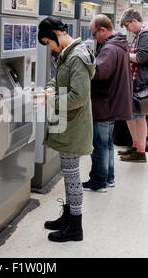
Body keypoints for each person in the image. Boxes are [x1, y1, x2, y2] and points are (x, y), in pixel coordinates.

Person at [36, 16, 95, 242]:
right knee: (70, 174)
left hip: (73, 125)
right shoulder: (69, 53)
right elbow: (57, 80)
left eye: (48, 43)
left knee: (72, 177)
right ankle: (68, 218)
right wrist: (49, 89)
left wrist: (51, 101)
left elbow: (78, 96)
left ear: (56, 35)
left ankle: (75, 228)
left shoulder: (76, 58)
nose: (49, 48)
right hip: (69, 124)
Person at [82, 14, 133, 192]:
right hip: (111, 102)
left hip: (104, 103)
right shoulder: (118, 44)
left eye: (94, 34)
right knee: (107, 143)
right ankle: (109, 178)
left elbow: (99, 72)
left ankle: (99, 181)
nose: (93, 38)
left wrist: (84, 60)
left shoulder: (110, 49)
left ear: (103, 30)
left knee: (100, 144)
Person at [119, 8, 148, 163]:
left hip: (142, 81)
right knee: (131, 114)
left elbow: (142, 57)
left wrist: (122, 55)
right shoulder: (140, 34)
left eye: (127, 26)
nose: (127, 29)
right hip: (135, 80)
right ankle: (135, 146)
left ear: (134, 21)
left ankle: (141, 152)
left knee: (140, 116)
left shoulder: (147, 34)